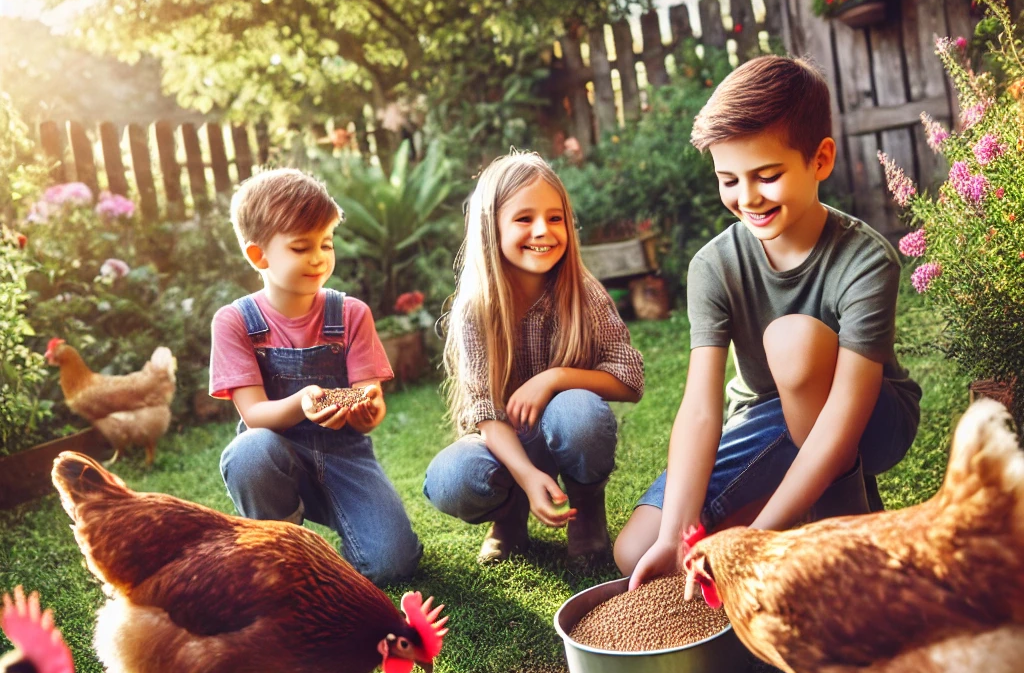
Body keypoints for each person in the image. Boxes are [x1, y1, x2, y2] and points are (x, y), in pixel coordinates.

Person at [615, 56, 922, 587]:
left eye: (767, 175)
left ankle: (845, 530)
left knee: (793, 338)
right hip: (767, 415)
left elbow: (846, 411)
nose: (747, 197)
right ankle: (797, 516)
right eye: (728, 179)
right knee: (635, 549)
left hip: (869, 419)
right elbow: (700, 410)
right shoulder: (714, 265)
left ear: (820, 159)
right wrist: (675, 535)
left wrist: (754, 537)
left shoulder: (866, 261)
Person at [424, 151, 645, 564]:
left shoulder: (585, 294)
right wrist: (526, 478)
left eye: (555, 217)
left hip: (567, 430)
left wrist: (556, 378)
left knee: (578, 409)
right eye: (524, 219)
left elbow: (630, 379)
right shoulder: (475, 309)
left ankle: (586, 510)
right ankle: (508, 518)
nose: (542, 230)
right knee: (451, 479)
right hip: (505, 443)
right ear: (492, 227)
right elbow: (485, 410)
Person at [209, 167, 422, 585]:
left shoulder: (351, 314)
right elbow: (254, 415)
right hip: (275, 454)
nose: (319, 257)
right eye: (301, 246)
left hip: (346, 455)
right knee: (248, 451)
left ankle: (348, 535)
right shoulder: (234, 321)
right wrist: (306, 399)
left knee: (393, 564)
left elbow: (370, 400)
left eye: (326, 243)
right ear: (259, 256)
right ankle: (282, 547)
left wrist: (366, 411)